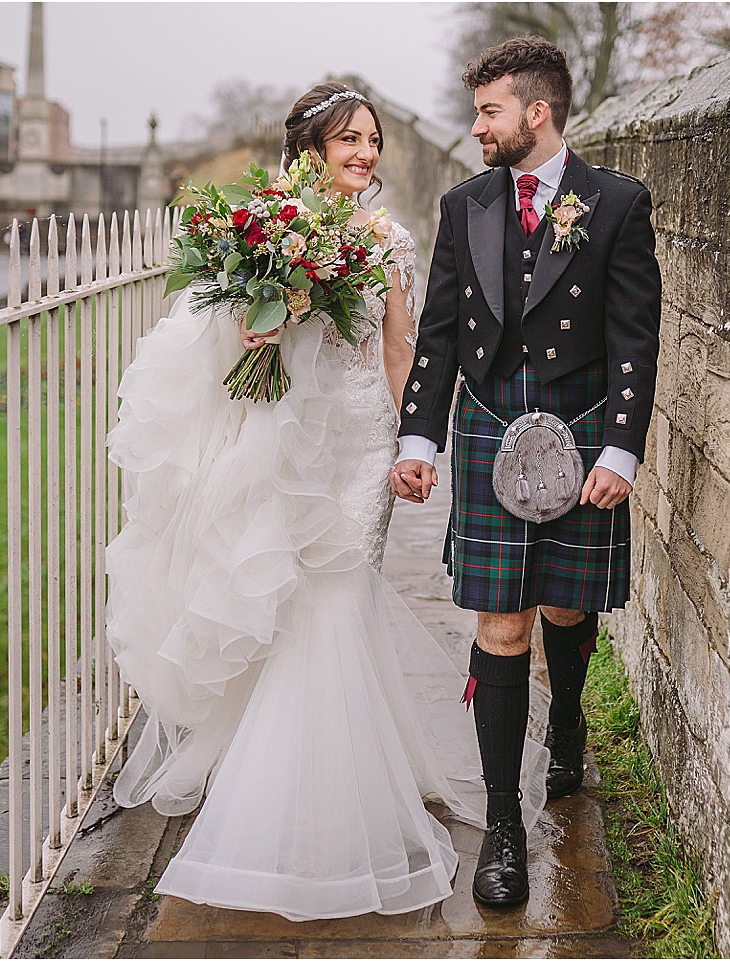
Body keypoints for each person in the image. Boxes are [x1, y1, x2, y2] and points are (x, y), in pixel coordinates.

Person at [104, 81, 548, 921]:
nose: (366, 155)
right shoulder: (270, 228)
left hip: (361, 443)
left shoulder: (391, 239)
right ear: (312, 151)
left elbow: (399, 349)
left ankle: (335, 782)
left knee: (344, 594)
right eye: (350, 141)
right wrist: (264, 321)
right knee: (293, 601)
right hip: (288, 436)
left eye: (373, 141)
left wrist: (416, 441)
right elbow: (234, 337)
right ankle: (294, 784)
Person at [391, 37, 662, 906]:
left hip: (581, 427)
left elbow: (633, 335)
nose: (476, 128)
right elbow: (436, 335)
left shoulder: (615, 202)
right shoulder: (466, 203)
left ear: (535, 113)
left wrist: (620, 448)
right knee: (501, 625)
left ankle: (570, 716)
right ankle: (504, 823)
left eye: (490, 112)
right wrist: (417, 440)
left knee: (564, 606)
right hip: (489, 422)